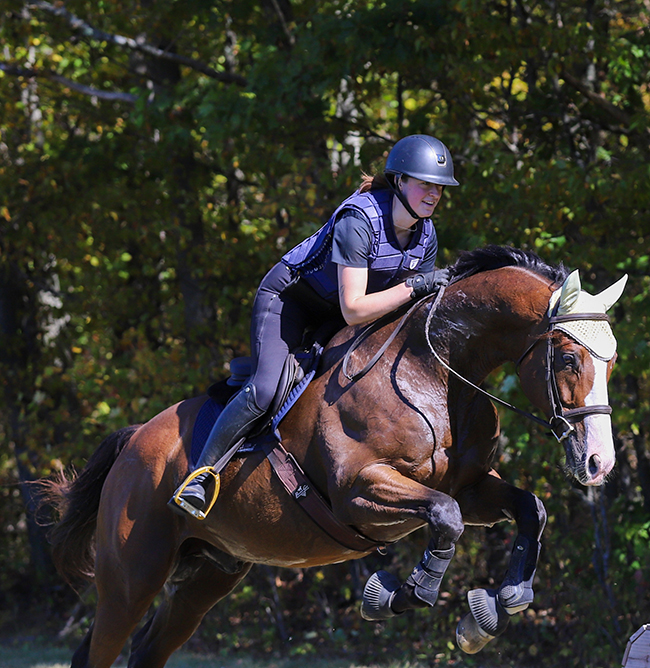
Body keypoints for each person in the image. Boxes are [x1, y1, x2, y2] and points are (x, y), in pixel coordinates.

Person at [170, 134, 459, 519]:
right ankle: (200, 476)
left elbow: (403, 314)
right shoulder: (360, 221)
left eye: (439, 187)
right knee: (267, 388)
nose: (433, 194)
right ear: (400, 181)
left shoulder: (426, 236)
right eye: (425, 184)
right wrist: (413, 286)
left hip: (335, 313)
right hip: (290, 302)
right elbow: (355, 308)